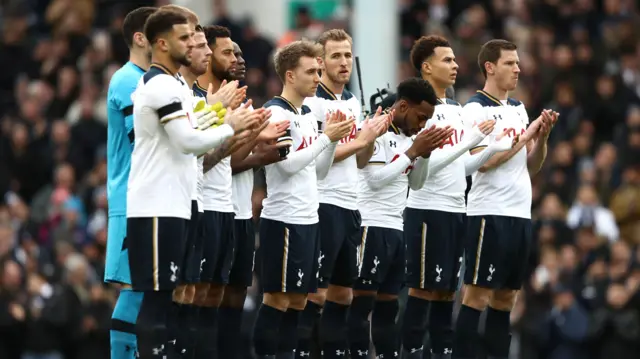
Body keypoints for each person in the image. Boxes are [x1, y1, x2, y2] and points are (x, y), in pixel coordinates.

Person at [125, 9, 258, 358]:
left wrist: (216, 114)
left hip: (177, 205)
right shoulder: (159, 85)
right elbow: (187, 141)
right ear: (161, 43)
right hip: (156, 205)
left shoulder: (176, 86)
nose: (193, 44)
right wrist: (230, 124)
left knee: (172, 301)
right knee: (157, 302)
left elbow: (194, 125)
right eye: (184, 38)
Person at [400, 35, 508, 359]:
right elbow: (422, 172)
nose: (455, 65)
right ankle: (412, 352)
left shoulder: (457, 109)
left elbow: (462, 167)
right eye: (447, 60)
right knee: (421, 289)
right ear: (426, 66)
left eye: (455, 60)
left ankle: (443, 353)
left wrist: (494, 145)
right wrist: (473, 139)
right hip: (426, 210)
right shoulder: (420, 109)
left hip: (454, 209)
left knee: (447, 293)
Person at [451, 39, 557, 359]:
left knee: (506, 299)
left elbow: (529, 165)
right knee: (477, 296)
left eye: (518, 62)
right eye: (510, 63)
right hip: (488, 213)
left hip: (520, 213)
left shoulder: (518, 109)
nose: (518, 69)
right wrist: (525, 136)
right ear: (490, 67)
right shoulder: (474, 109)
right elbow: (481, 161)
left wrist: (543, 137)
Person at [251, 40, 354, 359]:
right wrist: (327, 137)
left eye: (318, 71)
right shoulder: (275, 112)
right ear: (290, 75)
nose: (317, 77)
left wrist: (332, 140)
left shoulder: (308, 114)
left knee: (298, 301)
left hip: (309, 219)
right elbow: (288, 164)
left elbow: (319, 171)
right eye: (311, 71)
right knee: (277, 300)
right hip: (282, 219)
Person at [348, 77, 453, 359]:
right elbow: (374, 180)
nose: (422, 125)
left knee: (389, 309)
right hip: (370, 226)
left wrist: (425, 154)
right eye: (421, 117)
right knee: (361, 307)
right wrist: (412, 152)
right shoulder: (376, 129)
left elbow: (416, 184)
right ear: (403, 106)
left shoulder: (410, 139)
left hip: (396, 228)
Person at [300, 28, 389, 359]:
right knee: (316, 294)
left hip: (351, 205)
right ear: (320, 61)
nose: (343, 62)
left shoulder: (351, 101)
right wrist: (361, 140)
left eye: (347, 55)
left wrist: (373, 136)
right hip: (323, 202)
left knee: (342, 294)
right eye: (335, 55)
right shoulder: (314, 102)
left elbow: (362, 159)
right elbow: (318, 155)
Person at [104, 7, 155, 359]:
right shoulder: (127, 80)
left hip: (150, 196)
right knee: (134, 289)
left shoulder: (150, 80)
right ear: (140, 38)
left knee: (148, 291)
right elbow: (143, 140)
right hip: (130, 197)